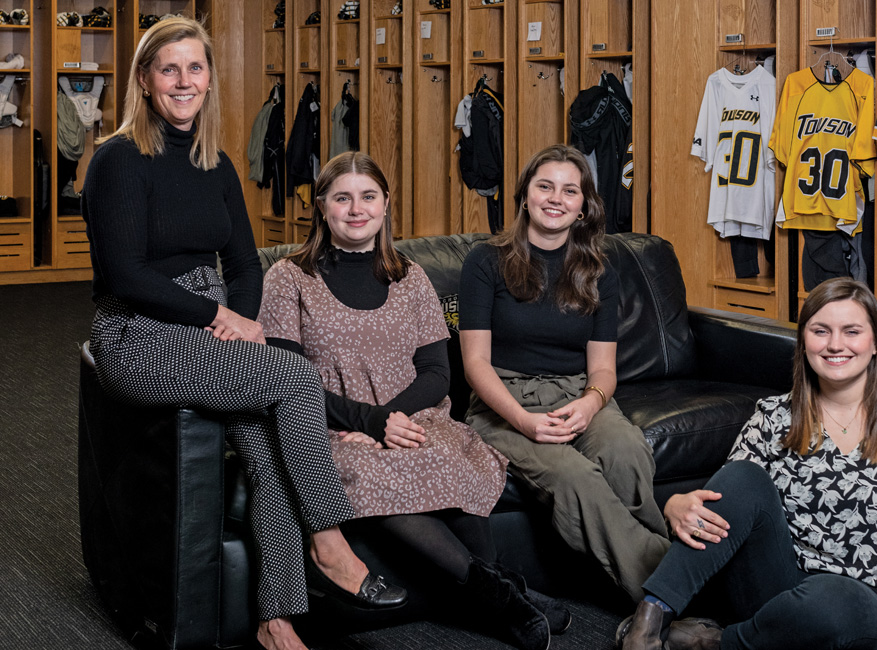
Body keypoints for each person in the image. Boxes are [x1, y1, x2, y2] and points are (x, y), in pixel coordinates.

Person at [81, 18, 404, 650]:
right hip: (138, 333)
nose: (183, 81)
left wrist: (247, 323)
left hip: (213, 328)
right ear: (145, 82)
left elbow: (246, 263)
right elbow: (125, 272)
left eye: (195, 68)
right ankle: (329, 540)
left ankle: (275, 617)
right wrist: (216, 318)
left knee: (265, 439)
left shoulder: (215, 162)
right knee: (295, 377)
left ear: (208, 79)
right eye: (168, 69)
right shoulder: (117, 159)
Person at [257, 151, 569, 650]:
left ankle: (506, 589)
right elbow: (283, 377)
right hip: (331, 426)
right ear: (321, 207)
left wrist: (393, 418)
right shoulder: (288, 279)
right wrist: (372, 423)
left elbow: (437, 372)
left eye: (368, 197)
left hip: (411, 414)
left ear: (385, 206)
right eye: (342, 198)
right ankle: (504, 601)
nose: (356, 209)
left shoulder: (410, 276)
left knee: (449, 456)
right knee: (375, 469)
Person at [617, 277, 877, 650]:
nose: (835, 344)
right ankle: (649, 624)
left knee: (833, 601)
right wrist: (675, 505)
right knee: (742, 475)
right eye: (820, 331)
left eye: (851, 331)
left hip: (861, 605)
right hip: (774, 585)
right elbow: (728, 503)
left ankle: (713, 642)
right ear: (803, 341)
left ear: (876, 343)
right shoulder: (773, 415)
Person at [458, 144, 670, 603]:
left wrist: (591, 403)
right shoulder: (484, 261)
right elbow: (474, 364)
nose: (556, 198)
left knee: (627, 450)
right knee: (575, 478)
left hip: (579, 393)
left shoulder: (599, 269)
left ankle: (665, 581)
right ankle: (665, 595)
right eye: (545, 186)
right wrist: (522, 420)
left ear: (583, 205)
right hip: (504, 402)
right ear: (525, 195)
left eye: (569, 190)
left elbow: (603, 369)